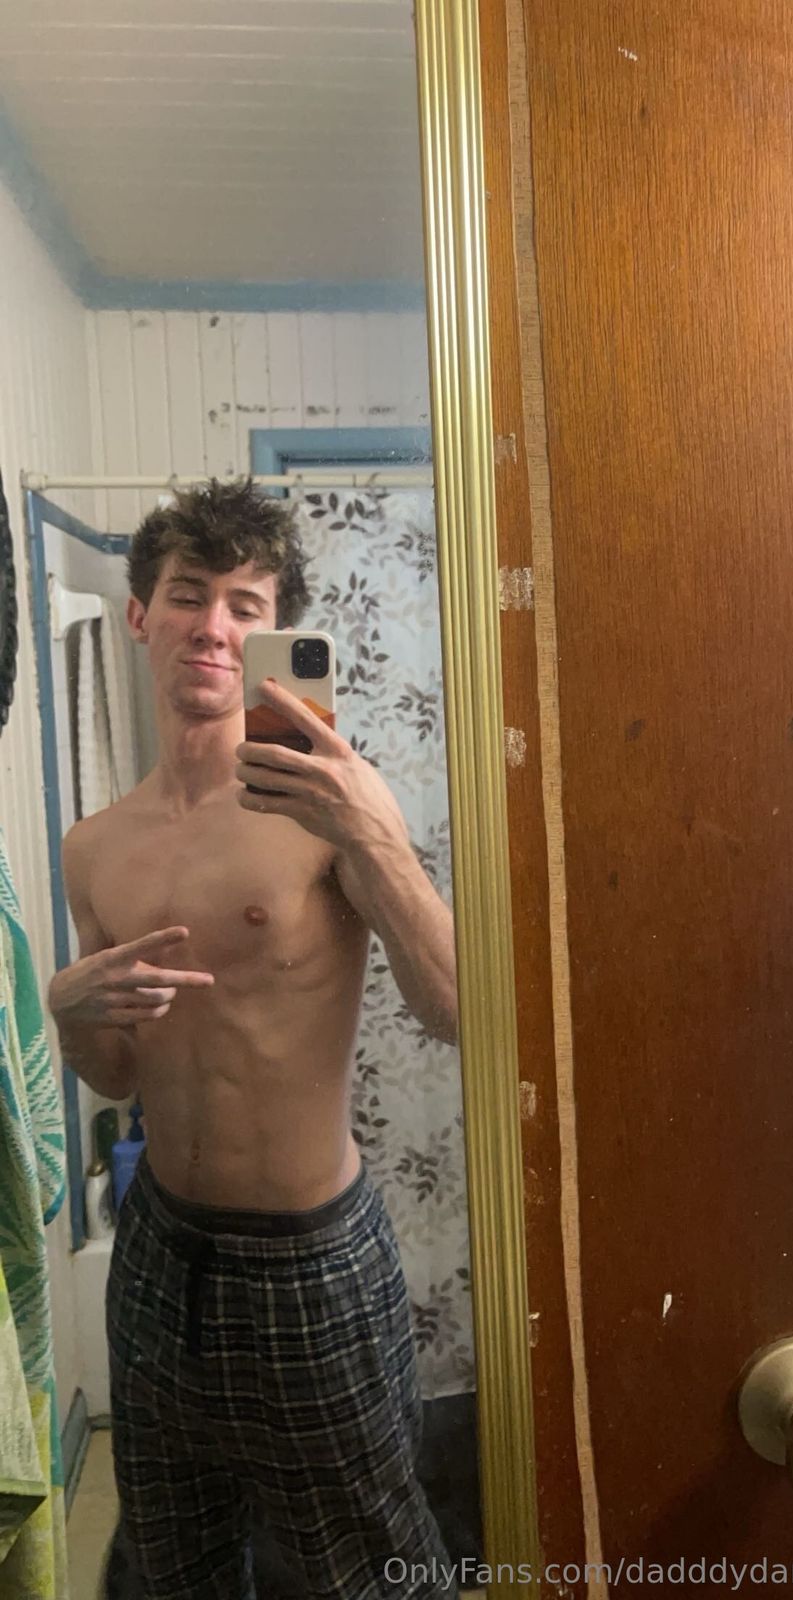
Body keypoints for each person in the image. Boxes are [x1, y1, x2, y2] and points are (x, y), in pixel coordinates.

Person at [48, 480, 459, 1600]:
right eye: (190, 595)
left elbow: (458, 1010)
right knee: (171, 1563)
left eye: (246, 605)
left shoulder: (326, 804)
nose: (214, 628)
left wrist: (372, 835)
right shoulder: (96, 847)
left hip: (309, 1261)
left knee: (371, 1572)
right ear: (142, 615)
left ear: (274, 633)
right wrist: (71, 1018)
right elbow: (119, 1071)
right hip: (159, 1249)